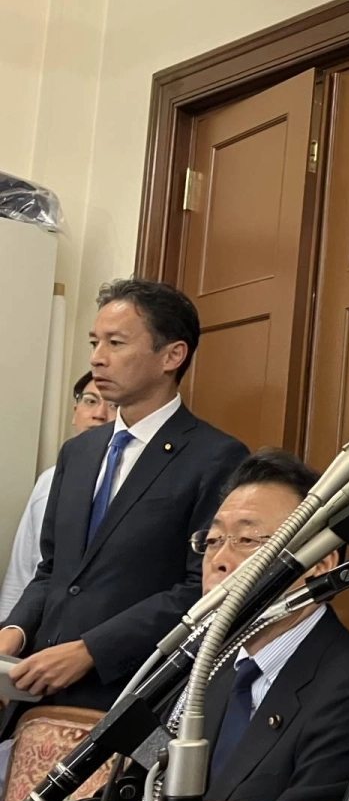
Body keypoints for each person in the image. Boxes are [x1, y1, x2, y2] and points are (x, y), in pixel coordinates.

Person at [0, 279, 246, 726]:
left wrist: (93, 650)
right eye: (95, 342)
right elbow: (53, 571)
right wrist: (13, 632)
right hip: (32, 694)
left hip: (128, 696)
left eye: (116, 343)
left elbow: (202, 589)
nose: (97, 357)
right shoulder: (79, 452)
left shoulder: (217, 457)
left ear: (173, 355)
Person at [198, 449, 349, 801]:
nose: (219, 559)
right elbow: (140, 784)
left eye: (247, 540)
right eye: (214, 540)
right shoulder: (202, 669)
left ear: (320, 564)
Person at [0, 373, 116, 620]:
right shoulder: (48, 480)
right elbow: (22, 567)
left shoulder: (128, 481)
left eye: (113, 405)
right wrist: (8, 626)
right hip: (32, 622)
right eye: (90, 401)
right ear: (75, 411)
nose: (99, 414)